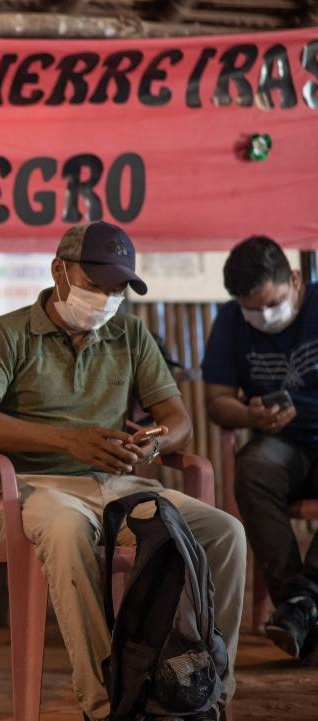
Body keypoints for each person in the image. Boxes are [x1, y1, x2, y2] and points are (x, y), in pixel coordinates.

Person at [0, 220, 246, 721]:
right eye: (96, 286)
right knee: (67, 533)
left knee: (226, 532)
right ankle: (107, 704)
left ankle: (207, 689)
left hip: (120, 483)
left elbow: (178, 422)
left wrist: (150, 445)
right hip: (33, 490)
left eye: (117, 290)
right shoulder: (6, 333)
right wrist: (70, 441)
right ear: (59, 273)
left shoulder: (129, 334)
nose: (107, 300)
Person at [203, 235, 318, 661]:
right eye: (251, 309)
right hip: (277, 443)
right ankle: (301, 605)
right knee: (251, 470)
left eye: (271, 303)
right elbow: (217, 402)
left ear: (294, 278)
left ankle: (298, 607)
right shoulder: (231, 322)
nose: (263, 316)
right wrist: (251, 416)